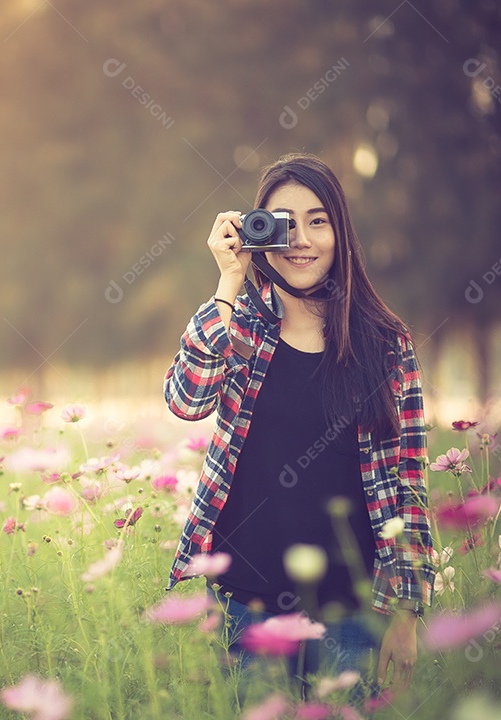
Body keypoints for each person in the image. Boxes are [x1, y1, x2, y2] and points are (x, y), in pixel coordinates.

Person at [163, 153, 435, 697]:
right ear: (257, 233)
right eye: (283, 224)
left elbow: (409, 482)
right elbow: (186, 401)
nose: (301, 240)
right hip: (243, 606)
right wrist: (227, 282)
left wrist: (405, 613)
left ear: (341, 231)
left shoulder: (385, 344)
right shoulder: (237, 324)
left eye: (317, 221)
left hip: (353, 616)